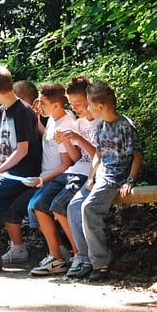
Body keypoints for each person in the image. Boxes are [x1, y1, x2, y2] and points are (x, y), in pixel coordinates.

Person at [67, 81, 142, 281]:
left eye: (89, 105)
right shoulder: (101, 125)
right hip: (100, 175)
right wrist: (91, 176)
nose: (88, 109)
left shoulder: (125, 125)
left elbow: (137, 155)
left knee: (88, 208)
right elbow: (98, 155)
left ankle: (101, 262)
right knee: (74, 206)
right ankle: (85, 259)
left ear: (100, 106)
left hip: (115, 177)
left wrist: (130, 181)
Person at [0, 64, 42, 275]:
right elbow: (2, 149)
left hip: (24, 171)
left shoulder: (23, 111)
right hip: (6, 170)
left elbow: (22, 151)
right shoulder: (1, 111)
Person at [28, 76, 99, 276]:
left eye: (78, 104)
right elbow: (75, 157)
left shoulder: (88, 122)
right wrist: (68, 141)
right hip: (73, 171)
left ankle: (78, 255)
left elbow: (91, 156)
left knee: (58, 205)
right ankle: (57, 256)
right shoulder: (76, 122)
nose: (75, 108)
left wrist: (74, 138)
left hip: (84, 173)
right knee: (37, 205)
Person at [23, 83, 77, 272]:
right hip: (46, 175)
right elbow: (47, 136)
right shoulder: (54, 118)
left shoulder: (65, 124)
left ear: (56, 105)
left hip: (58, 176)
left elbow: (66, 163)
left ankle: (58, 256)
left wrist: (42, 180)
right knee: (33, 206)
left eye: (43, 102)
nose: (39, 105)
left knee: (38, 205)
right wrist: (37, 118)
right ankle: (59, 251)